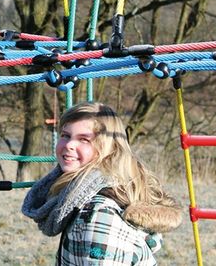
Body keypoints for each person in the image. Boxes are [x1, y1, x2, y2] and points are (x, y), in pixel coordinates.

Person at [22, 102, 182, 265]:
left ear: (107, 149)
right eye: (65, 135)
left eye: (84, 139)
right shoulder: (78, 196)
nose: (69, 145)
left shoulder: (96, 215)